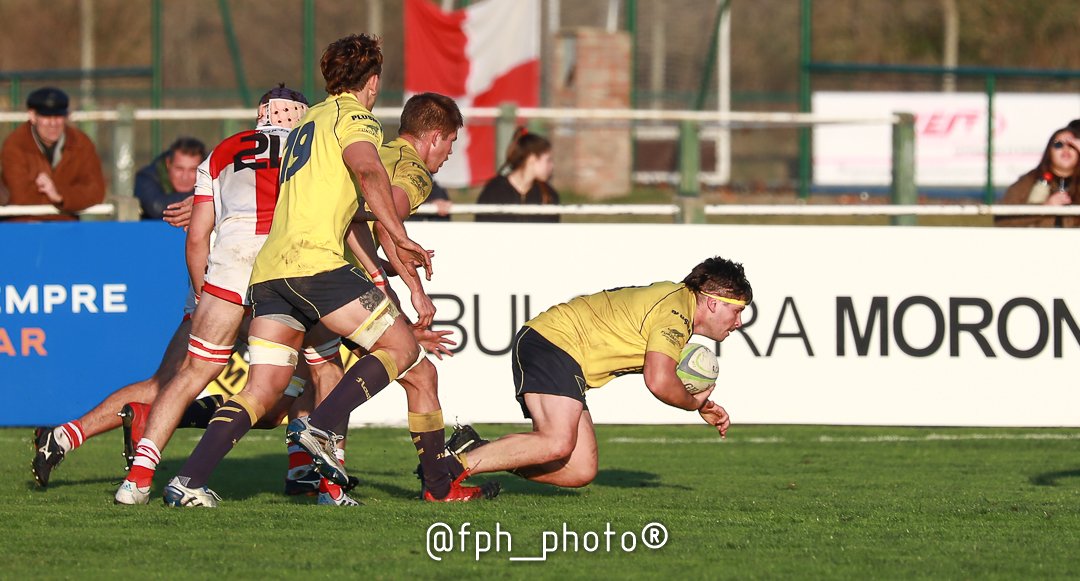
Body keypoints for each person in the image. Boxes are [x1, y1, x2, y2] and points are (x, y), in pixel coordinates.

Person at [159, 34, 483, 508]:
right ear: (372, 82)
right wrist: (402, 236)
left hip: (269, 271)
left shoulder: (306, 122)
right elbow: (370, 175)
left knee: (263, 388)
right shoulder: (355, 118)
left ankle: (187, 481)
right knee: (402, 346)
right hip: (315, 263)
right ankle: (322, 427)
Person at [113, 85, 347, 505]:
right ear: (301, 114)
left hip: (230, 266)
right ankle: (325, 482)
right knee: (322, 368)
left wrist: (208, 294)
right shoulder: (314, 150)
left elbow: (197, 238)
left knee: (190, 376)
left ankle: (137, 480)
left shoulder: (221, 151)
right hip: (288, 267)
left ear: (260, 114)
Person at [448, 256, 748, 489]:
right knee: (556, 442)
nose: (739, 322)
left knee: (578, 470)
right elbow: (658, 381)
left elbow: (663, 374)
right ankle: (446, 471)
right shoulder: (676, 314)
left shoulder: (677, 306)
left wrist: (701, 404)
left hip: (564, 356)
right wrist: (694, 403)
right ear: (712, 302)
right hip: (553, 342)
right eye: (737, 311)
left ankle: (475, 452)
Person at [1, 87, 105, 221]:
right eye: (46, 116)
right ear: (32, 116)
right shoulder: (15, 145)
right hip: (23, 229)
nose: (53, 124)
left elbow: (95, 191)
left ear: (66, 117)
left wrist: (59, 195)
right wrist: (67, 201)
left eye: (58, 117)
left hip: (67, 230)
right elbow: (19, 196)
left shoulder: (81, 144)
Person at [995, 126, 1080, 228]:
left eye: (1072, 145)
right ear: (1049, 151)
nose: (1065, 149)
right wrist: (1044, 208)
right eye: (1058, 144)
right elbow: (1002, 221)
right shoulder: (1029, 181)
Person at [475, 127, 559, 223]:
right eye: (548, 160)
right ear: (532, 158)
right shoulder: (493, 192)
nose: (552, 165)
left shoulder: (549, 195)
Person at [134, 137, 207, 220]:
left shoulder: (213, 179)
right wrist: (204, 199)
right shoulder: (146, 177)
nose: (185, 177)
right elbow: (156, 208)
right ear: (168, 163)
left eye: (193, 170)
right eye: (179, 169)